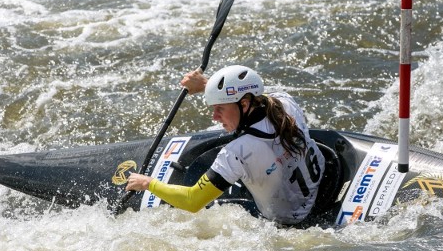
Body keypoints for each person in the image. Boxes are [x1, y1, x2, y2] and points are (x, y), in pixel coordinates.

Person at [126, 65, 325, 225]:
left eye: (220, 108)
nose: (215, 116)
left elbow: (192, 200)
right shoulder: (284, 102)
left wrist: (148, 183)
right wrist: (206, 85)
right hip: (321, 184)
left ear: (244, 104)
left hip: (289, 220)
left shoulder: (236, 153)